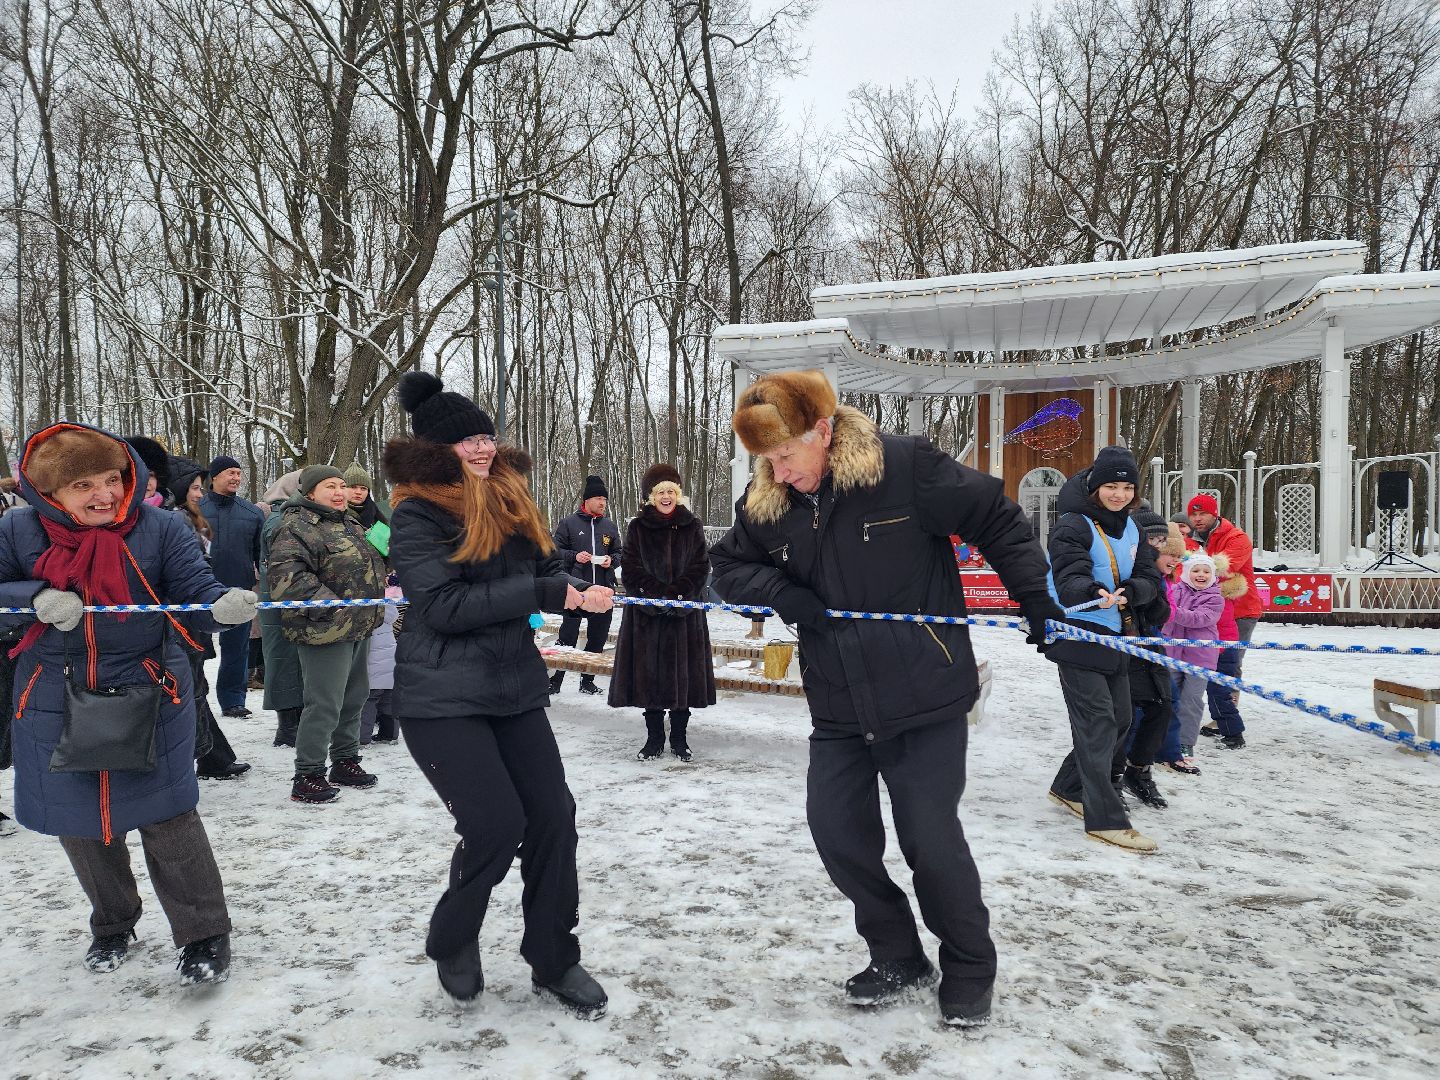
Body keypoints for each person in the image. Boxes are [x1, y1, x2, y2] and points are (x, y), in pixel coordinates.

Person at [710, 370, 1061, 1029]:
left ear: (821, 431)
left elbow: (995, 515)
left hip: (923, 694)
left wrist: (1035, 595)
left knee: (929, 839)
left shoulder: (902, 467)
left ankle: (967, 967)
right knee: (837, 833)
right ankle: (898, 955)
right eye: (766, 461)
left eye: (786, 455)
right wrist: (788, 598)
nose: (779, 472)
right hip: (839, 702)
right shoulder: (767, 502)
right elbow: (728, 568)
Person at [384, 371, 612, 1018]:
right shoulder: (415, 511)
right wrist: (543, 594)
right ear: (437, 450)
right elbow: (447, 606)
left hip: (512, 686)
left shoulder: (513, 497)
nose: (482, 449)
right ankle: (452, 938)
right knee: (494, 824)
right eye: (467, 442)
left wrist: (574, 586)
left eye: (486, 436)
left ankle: (554, 958)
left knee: (552, 819)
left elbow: (544, 568)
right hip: (442, 697)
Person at [0, 423, 258, 983]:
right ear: (49, 492)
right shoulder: (17, 529)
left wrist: (222, 607)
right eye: (84, 485)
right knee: (82, 822)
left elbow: (195, 592)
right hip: (52, 697)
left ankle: (204, 935)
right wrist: (34, 599)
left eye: (112, 479)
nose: (105, 495)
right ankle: (113, 922)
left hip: (150, 689)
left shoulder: (161, 527)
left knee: (169, 817)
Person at [1043, 446, 1166, 855]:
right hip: (1078, 634)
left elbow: (1149, 574)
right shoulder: (1072, 525)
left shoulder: (1131, 528)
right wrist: (1092, 592)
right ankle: (1106, 819)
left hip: (1118, 635)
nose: (1119, 494)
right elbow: (1068, 573)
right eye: (1111, 486)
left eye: (1127, 486)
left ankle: (1068, 787)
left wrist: (1134, 592)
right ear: (1095, 487)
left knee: (1120, 718)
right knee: (1098, 722)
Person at [267, 465, 387, 804]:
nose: (339, 492)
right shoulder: (294, 527)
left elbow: (369, 563)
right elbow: (287, 578)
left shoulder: (348, 522)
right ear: (309, 493)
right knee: (324, 703)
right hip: (323, 630)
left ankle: (345, 761)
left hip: (359, 625)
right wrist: (333, 607)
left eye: (341, 486)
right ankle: (308, 774)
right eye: (329, 487)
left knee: (354, 696)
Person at [607, 464, 715, 762]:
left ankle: (679, 740)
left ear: (678, 495)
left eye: (671, 491)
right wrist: (655, 596)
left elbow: (700, 565)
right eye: (660, 492)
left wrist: (678, 595)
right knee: (649, 678)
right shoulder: (637, 527)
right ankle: (654, 739)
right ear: (650, 497)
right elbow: (629, 568)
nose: (666, 496)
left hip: (684, 616)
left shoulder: (692, 525)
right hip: (646, 616)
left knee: (683, 679)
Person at [168, 456, 250, 782]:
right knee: (190, 692)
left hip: (197, 616)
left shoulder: (192, 519)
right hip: (179, 621)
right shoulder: (175, 522)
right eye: (193, 487)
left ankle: (213, 757)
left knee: (195, 690)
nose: (199, 494)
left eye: (200, 488)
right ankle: (208, 758)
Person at [1114, 524, 1184, 808]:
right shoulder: (1130, 571)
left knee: (1163, 706)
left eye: (1178, 555)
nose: (1175, 560)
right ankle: (1111, 777)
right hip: (1123, 647)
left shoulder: (1160, 579)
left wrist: (1157, 589)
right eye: (1165, 549)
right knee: (1124, 716)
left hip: (1149, 647)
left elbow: (1159, 614)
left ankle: (1139, 770)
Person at [1186, 493, 1262, 742]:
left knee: (1231, 662)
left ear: (1214, 514)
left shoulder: (1236, 538)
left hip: (1239, 610)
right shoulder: (1192, 539)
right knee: (1211, 661)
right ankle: (1223, 715)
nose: (1197, 519)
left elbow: (1222, 567)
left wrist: (1191, 566)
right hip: (1208, 611)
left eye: (1202, 514)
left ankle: (1228, 715)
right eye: (1194, 514)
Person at [198, 455, 265, 718]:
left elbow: (260, 554)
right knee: (195, 648)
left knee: (237, 648)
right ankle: (193, 699)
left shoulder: (252, 513)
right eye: (230, 473)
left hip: (238, 590)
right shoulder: (196, 509)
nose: (236, 478)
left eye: (238, 473)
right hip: (200, 590)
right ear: (214, 477)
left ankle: (233, 700)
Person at [549, 474, 623, 696]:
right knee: (568, 637)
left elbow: (619, 553)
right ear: (587, 500)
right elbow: (553, 552)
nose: (603, 503)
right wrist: (574, 556)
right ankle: (555, 681)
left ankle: (587, 681)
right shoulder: (568, 523)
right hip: (575, 592)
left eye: (605, 499)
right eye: (599, 498)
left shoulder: (609, 526)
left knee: (598, 637)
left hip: (602, 591)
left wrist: (612, 561)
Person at [1162, 552, 1226, 768]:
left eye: (1206, 571)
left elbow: (1200, 619)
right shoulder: (1174, 590)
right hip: (1172, 655)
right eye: (1196, 570)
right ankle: (1165, 740)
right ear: (1187, 573)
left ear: (1213, 575)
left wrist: (1170, 612)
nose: (1201, 575)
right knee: (1169, 698)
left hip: (1200, 659)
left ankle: (1185, 742)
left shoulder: (1215, 597)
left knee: (1191, 701)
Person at [258, 471, 304, 747]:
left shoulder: (286, 518)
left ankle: (293, 723)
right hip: (280, 604)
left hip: (285, 602)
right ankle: (287, 728)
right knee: (283, 663)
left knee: (290, 663)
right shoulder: (279, 521)